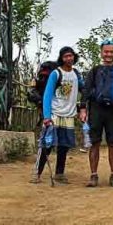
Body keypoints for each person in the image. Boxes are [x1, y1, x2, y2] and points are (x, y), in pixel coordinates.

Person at [31, 47, 85, 184]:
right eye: (66, 56)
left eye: (71, 56)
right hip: (55, 113)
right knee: (47, 144)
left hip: (69, 115)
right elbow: (48, 95)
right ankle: (37, 173)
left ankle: (59, 173)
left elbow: (84, 88)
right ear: (62, 58)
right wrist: (47, 116)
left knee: (64, 145)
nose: (69, 58)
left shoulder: (76, 74)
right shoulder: (56, 73)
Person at [83, 39, 113, 187]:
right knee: (95, 143)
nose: (109, 54)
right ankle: (93, 175)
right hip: (96, 109)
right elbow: (86, 90)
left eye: (111, 52)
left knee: (112, 143)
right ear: (101, 52)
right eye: (106, 51)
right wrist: (83, 108)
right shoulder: (94, 71)